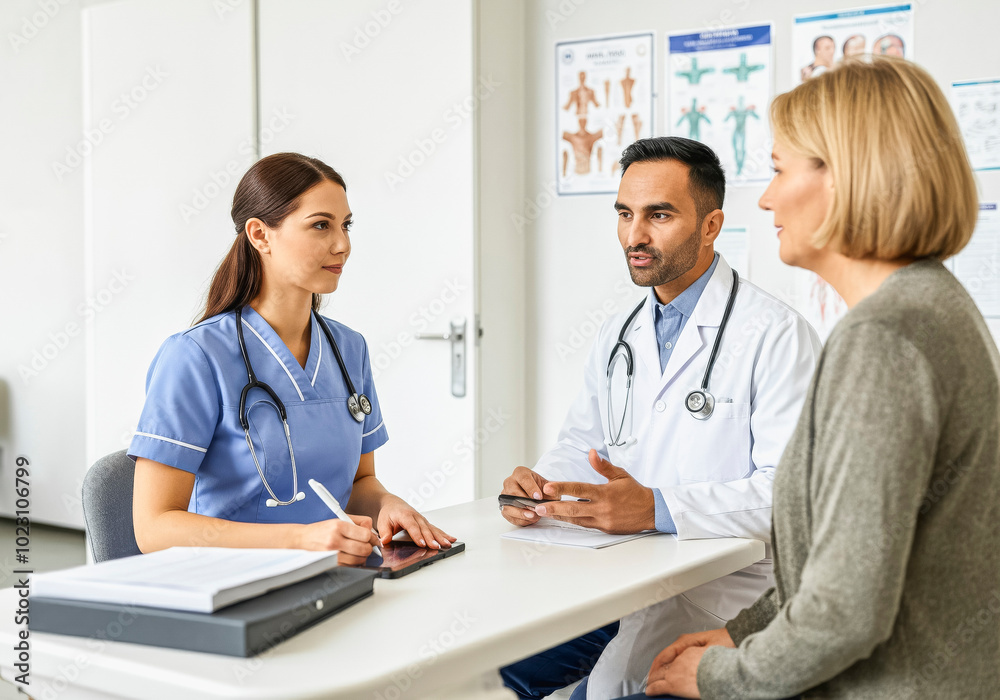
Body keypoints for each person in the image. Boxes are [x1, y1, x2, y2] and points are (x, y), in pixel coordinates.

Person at [622, 56, 1000, 699]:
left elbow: (845, 614)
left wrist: (719, 674)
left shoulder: (885, 340)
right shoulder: (930, 305)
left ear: (847, 177)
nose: (765, 197)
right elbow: (852, 563)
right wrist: (745, 631)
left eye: (778, 170)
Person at [499, 136, 821, 700]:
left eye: (659, 215)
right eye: (624, 214)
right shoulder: (620, 333)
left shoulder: (775, 335)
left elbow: (790, 498)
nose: (634, 236)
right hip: (613, 584)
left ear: (711, 224)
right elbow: (584, 444)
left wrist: (659, 507)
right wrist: (542, 487)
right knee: (496, 677)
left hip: (717, 598)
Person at [130, 152, 455, 563]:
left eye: (345, 225)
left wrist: (387, 504)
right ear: (260, 235)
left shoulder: (348, 349)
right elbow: (154, 527)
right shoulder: (195, 356)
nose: (343, 245)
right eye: (321, 225)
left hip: (332, 576)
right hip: (226, 582)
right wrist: (300, 541)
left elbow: (360, 481)